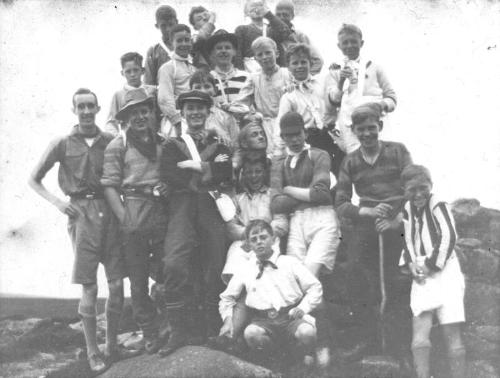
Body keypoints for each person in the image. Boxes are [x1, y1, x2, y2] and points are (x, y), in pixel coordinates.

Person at [28, 88, 139, 373]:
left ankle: (111, 346)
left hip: (110, 211)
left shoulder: (111, 141)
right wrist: (58, 203)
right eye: (81, 107)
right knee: (89, 285)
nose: (87, 111)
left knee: (116, 284)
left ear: (99, 108)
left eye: (91, 106)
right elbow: (34, 179)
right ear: (74, 110)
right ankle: (92, 351)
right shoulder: (62, 143)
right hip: (82, 214)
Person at [334, 102, 412, 361]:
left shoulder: (398, 151)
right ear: (354, 131)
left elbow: (413, 187)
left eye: (371, 128)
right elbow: (342, 202)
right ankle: (369, 340)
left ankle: (399, 345)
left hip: (397, 220)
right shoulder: (351, 161)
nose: (367, 134)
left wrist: (397, 218)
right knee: (356, 272)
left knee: (396, 279)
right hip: (367, 222)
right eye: (361, 129)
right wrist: (367, 212)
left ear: (379, 126)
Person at [159, 90, 233, 356]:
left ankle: (211, 328)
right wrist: (206, 171)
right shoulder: (172, 145)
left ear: (208, 112)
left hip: (210, 207)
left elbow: (226, 171)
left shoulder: (221, 145)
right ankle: (179, 331)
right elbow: (169, 173)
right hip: (182, 208)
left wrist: (192, 167)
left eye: (200, 108)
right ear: (182, 112)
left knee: (214, 264)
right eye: (189, 108)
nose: (195, 113)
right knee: (174, 263)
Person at [100, 88, 169, 354]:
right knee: (138, 279)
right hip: (133, 210)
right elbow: (109, 186)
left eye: (144, 111)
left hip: (161, 212)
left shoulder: (162, 142)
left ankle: (168, 326)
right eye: (134, 113)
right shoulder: (118, 145)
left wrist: (167, 188)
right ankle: (149, 331)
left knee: (166, 271)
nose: (140, 117)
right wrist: (125, 219)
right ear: (126, 118)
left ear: (151, 113)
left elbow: (171, 175)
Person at [219, 219, 322, 365]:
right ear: (249, 245)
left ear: (273, 239)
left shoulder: (289, 262)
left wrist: (303, 308)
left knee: (307, 332)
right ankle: (275, 360)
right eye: (254, 239)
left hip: (290, 318)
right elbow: (227, 298)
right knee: (251, 333)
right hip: (263, 321)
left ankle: (303, 356)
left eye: (263, 237)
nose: (259, 242)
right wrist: (228, 321)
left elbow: (315, 287)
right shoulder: (245, 269)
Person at [399, 165, 466, 378]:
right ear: (404, 190)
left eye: (423, 188)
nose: (418, 194)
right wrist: (412, 267)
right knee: (419, 337)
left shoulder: (438, 204)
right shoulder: (407, 209)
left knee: (451, 333)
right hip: (421, 274)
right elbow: (409, 241)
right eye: (412, 189)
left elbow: (449, 237)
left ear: (431, 186)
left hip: (446, 271)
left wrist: (429, 266)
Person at [271, 111, 340, 277]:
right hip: (297, 220)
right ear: (282, 137)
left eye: (297, 134)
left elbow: (321, 195)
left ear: (305, 133)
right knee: (296, 275)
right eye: (288, 136)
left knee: (309, 273)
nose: (294, 140)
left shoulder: (319, 155)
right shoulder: (278, 163)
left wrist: (288, 190)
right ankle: (318, 303)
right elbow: (275, 203)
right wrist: (309, 195)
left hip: (323, 218)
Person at [325, 24, 397, 153]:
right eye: (345, 42)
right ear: (339, 46)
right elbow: (331, 104)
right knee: (358, 163)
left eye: (353, 41)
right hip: (350, 127)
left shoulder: (374, 67)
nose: (349, 46)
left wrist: (381, 105)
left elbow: (391, 97)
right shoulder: (334, 71)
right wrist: (341, 82)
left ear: (361, 43)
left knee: (384, 159)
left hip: (376, 124)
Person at [277, 43, 344, 174]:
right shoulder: (288, 95)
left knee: (342, 173)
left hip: (329, 136)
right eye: (295, 63)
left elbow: (336, 99)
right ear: (289, 67)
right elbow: (281, 126)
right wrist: (279, 154)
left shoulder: (322, 83)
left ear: (310, 63)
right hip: (307, 141)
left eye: (303, 62)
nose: (300, 66)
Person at [231, 37, 291, 157]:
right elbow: (242, 103)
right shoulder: (254, 78)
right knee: (272, 158)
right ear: (255, 58)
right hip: (266, 126)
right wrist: (230, 107)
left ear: (277, 53)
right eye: (260, 54)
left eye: (268, 52)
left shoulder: (287, 73)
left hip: (287, 124)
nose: (264, 57)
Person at [105, 52, 158, 136]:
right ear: (122, 73)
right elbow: (111, 123)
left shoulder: (153, 91)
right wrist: (118, 138)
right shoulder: (119, 95)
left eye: (136, 70)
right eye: (128, 72)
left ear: (143, 71)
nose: (132, 74)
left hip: (153, 138)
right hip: (131, 143)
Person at [157, 24, 196, 137]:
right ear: (171, 42)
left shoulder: (193, 68)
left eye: (187, 40)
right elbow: (164, 99)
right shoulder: (168, 68)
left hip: (194, 117)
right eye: (179, 40)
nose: (184, 44)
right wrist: (178, 123)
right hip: (177, 122)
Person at [234, 0, 294, 71]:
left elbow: (286, 33)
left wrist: (269, 15)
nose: (257, 8)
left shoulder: (272, 29)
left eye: (260, 5)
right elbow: (238, 53)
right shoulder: (242, 29)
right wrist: (241, 73)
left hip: (273, 70)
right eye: (253, 6)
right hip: (251, 70)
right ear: (246, 12)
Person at [189, 69, 240, 149]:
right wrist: (214, 132)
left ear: (215, 90)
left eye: (207, 86)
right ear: (190, 91)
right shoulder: (187, 117)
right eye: (198, 87)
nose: (203, 91)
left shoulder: (226, 117)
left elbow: (237, 147)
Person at [274, 0, 324, 76]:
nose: (281, 18)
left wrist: (303, 78)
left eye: (285, 15)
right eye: (278, 15)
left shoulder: (300, 36)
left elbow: (318, 61)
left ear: (292, 16)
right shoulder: (266, 34)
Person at [205, 30, 249, 107]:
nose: (223, 51)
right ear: (212, 52)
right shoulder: (207, 79)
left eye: (227, 47)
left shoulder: (247, 77)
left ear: (234, 51)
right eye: (219, 48)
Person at [144, 5, 178, 86]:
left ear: (177, 22)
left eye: (171, 24)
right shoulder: (153, 51)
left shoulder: (187, 44)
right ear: (157, 26)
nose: (168, 29)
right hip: (164, 94)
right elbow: (149, 82)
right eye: (163, 26)